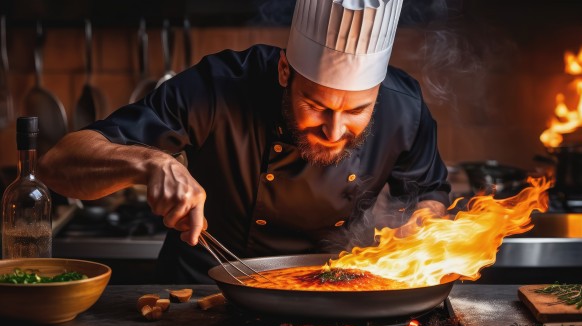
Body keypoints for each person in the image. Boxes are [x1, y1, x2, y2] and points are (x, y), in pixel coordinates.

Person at [38, 0, 450, 283]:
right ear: (285, 71)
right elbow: (58, 165)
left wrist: (422, 226)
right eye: (316, 105)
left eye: (358, 111)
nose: (335, 129)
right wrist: (151, 163)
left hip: (331, 293)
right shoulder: (218, 86)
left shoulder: (404, 106)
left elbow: (429, 193)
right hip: (202, 292)